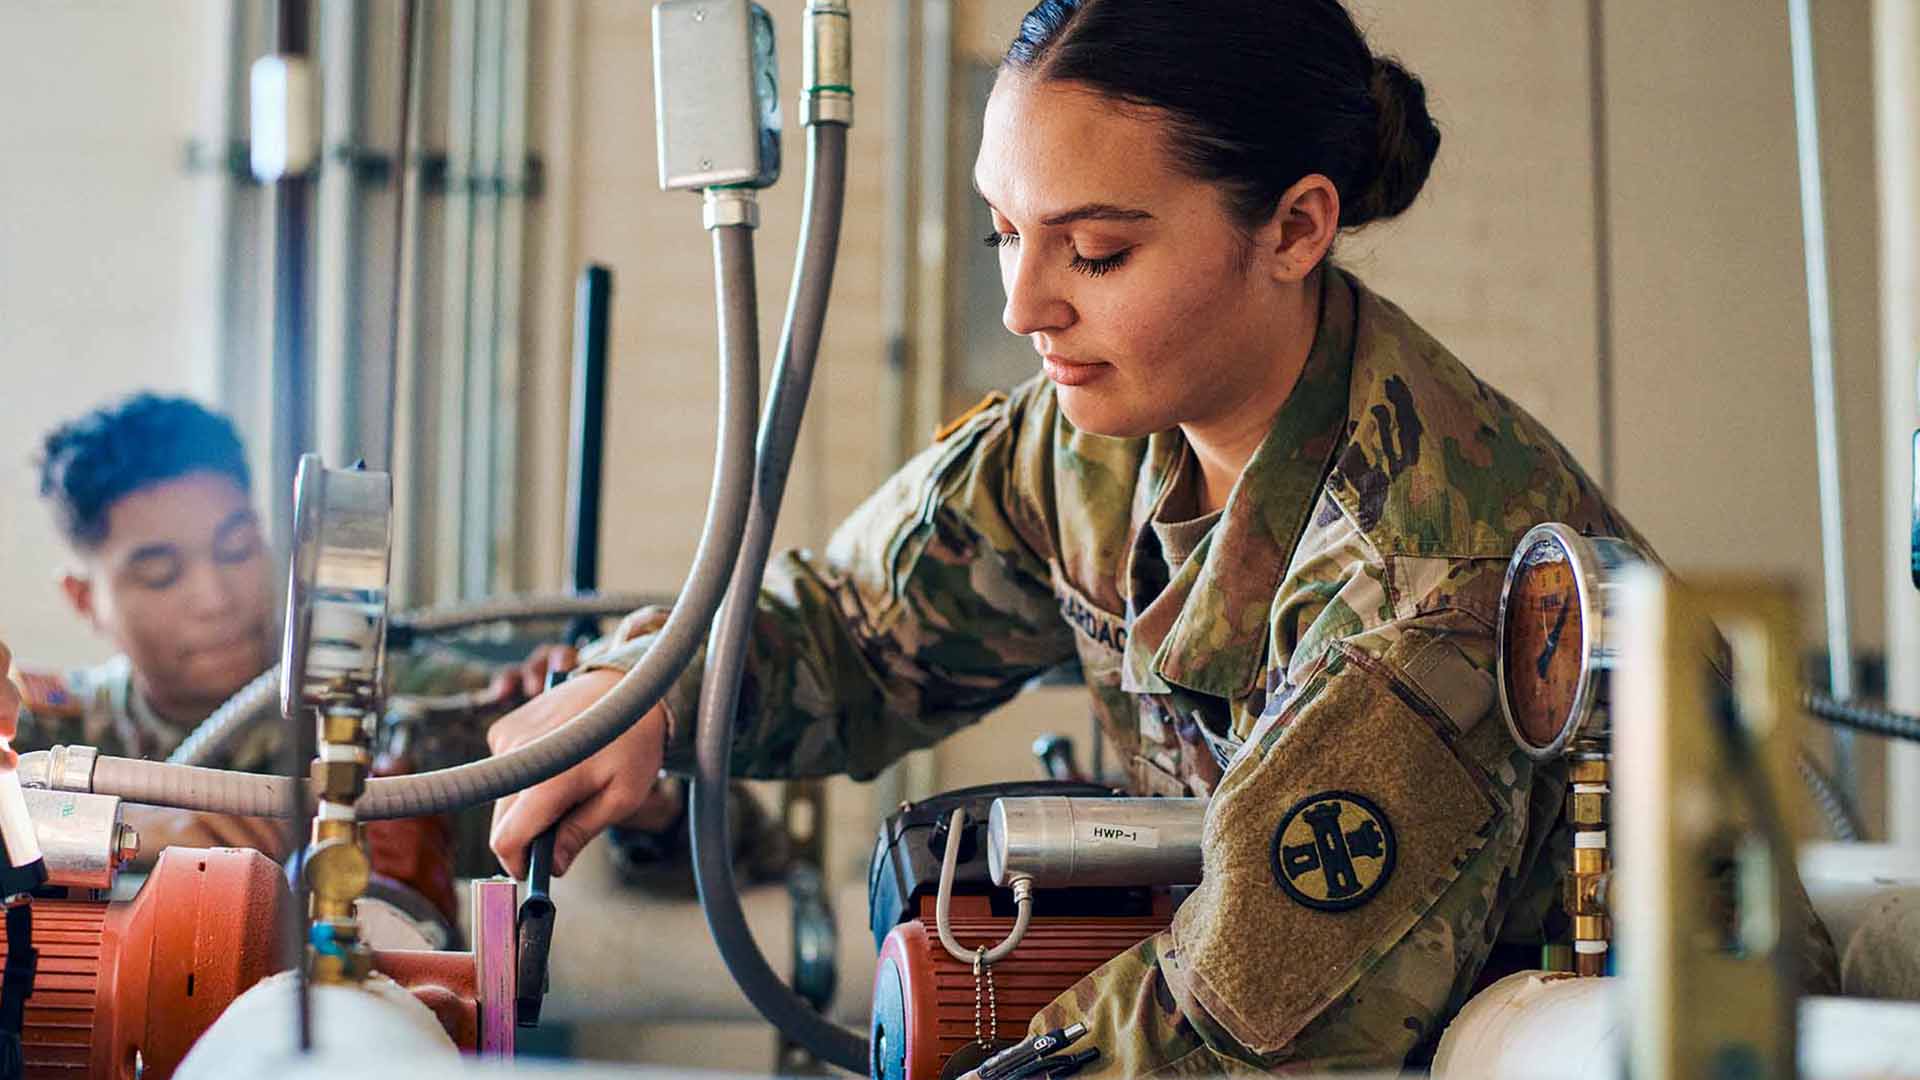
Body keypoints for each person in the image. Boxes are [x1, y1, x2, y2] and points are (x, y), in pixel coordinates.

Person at [485, 0, 1832, 1070]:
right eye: (1003, 230)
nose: (1023, 306)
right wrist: (641, 694)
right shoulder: (1088, 441)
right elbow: (849, 627)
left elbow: (1220, 1039)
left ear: (1294, 228)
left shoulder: (1435, 585)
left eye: (1096, 253)